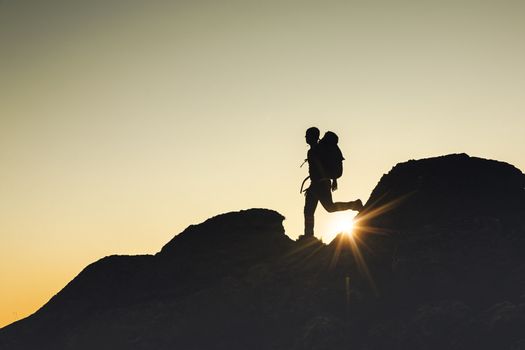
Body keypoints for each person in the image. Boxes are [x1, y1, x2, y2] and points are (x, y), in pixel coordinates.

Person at [303, 127, 363, 237]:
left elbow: (321, 167)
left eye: (307, 135)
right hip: (317, 184)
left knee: (327, 208)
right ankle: (308, 237)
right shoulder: (317, 150)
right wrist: (333, 179)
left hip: (319, 184)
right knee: (309, 211)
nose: (305, 137)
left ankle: (355, 204)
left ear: (313, 136)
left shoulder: (315, 151)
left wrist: (326, 181)